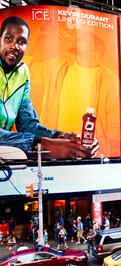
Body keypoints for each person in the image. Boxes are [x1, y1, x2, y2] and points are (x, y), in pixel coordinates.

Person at [0, 16, 98, 159]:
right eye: (8, 39)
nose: (15, 46)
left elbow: (27, 124)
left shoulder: (23, 72)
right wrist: (44, 145)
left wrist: (63, 137)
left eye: (21, 42)